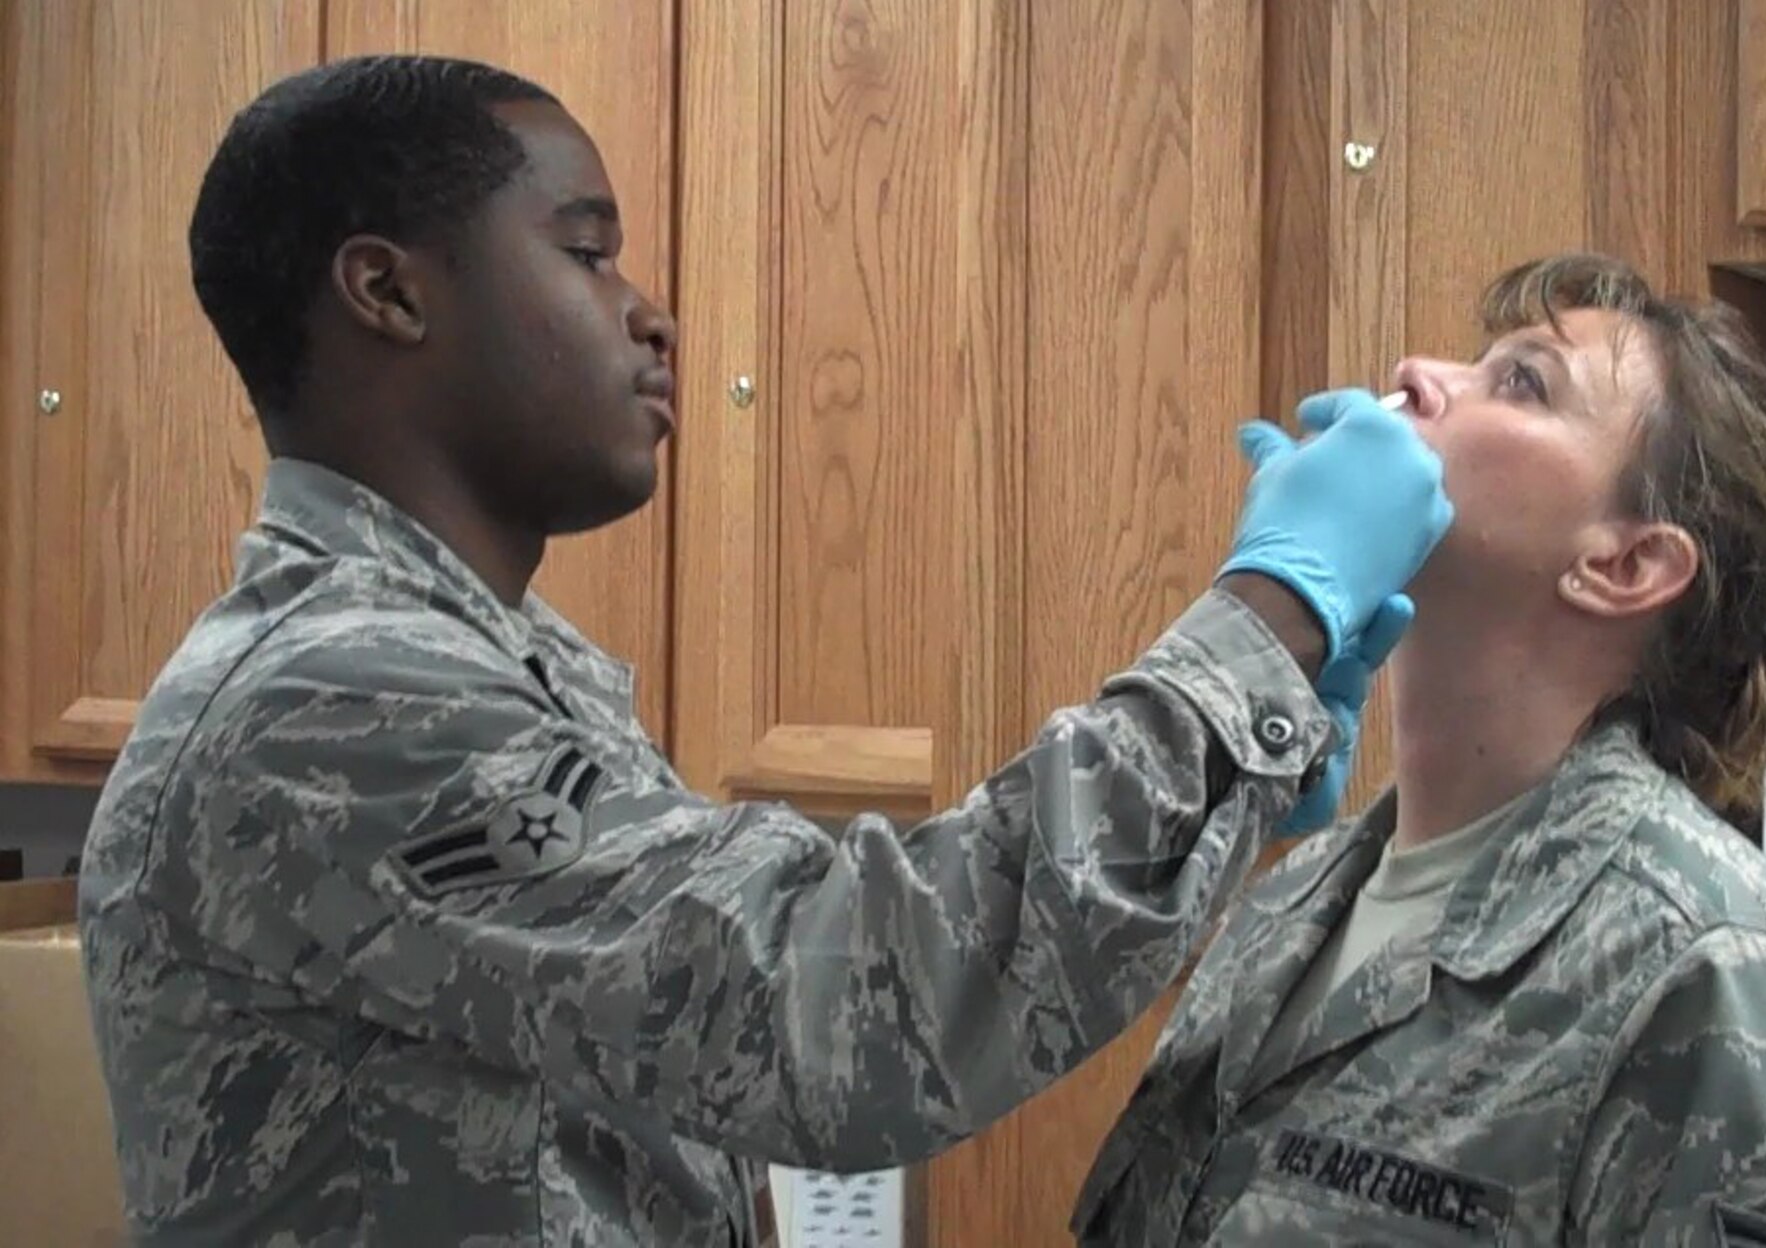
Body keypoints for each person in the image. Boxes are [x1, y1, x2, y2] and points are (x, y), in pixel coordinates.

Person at [73, 55, 1453, 1247]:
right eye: (584, 248)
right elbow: (856, 990)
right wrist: (1274, 614)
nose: (651, 313)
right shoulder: (336, 700)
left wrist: (1243, 764)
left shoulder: (483, 665)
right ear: (388, 290)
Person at [1072, 252, 1766, 1246]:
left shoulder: (1709, 972)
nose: (1417, 373)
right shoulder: (1285, 908)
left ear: (1623, 564)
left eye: (1519, 381)